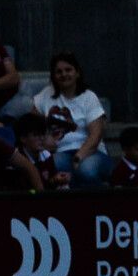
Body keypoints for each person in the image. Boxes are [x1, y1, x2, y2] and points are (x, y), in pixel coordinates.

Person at [32, 51, 110, 187]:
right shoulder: (45, 95)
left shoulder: (89, 97)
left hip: (91, 152)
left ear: (77, 73)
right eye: (59, 72)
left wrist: (78, 157)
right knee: (52, 166)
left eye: (68, 70)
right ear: (53, 76)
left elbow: (96, 135)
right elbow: (30, 125)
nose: (64, 74)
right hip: (60, 152)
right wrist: (45, 139)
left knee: (86, 170)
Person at [13, 113, 68, 190]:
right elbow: (29, 190)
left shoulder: (46, 155)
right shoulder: (16, 160)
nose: (41, 138)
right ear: (23, 138)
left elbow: (50, 181)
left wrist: (57, 180)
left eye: (42, 134)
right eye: (36, 135)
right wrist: (53, 181)